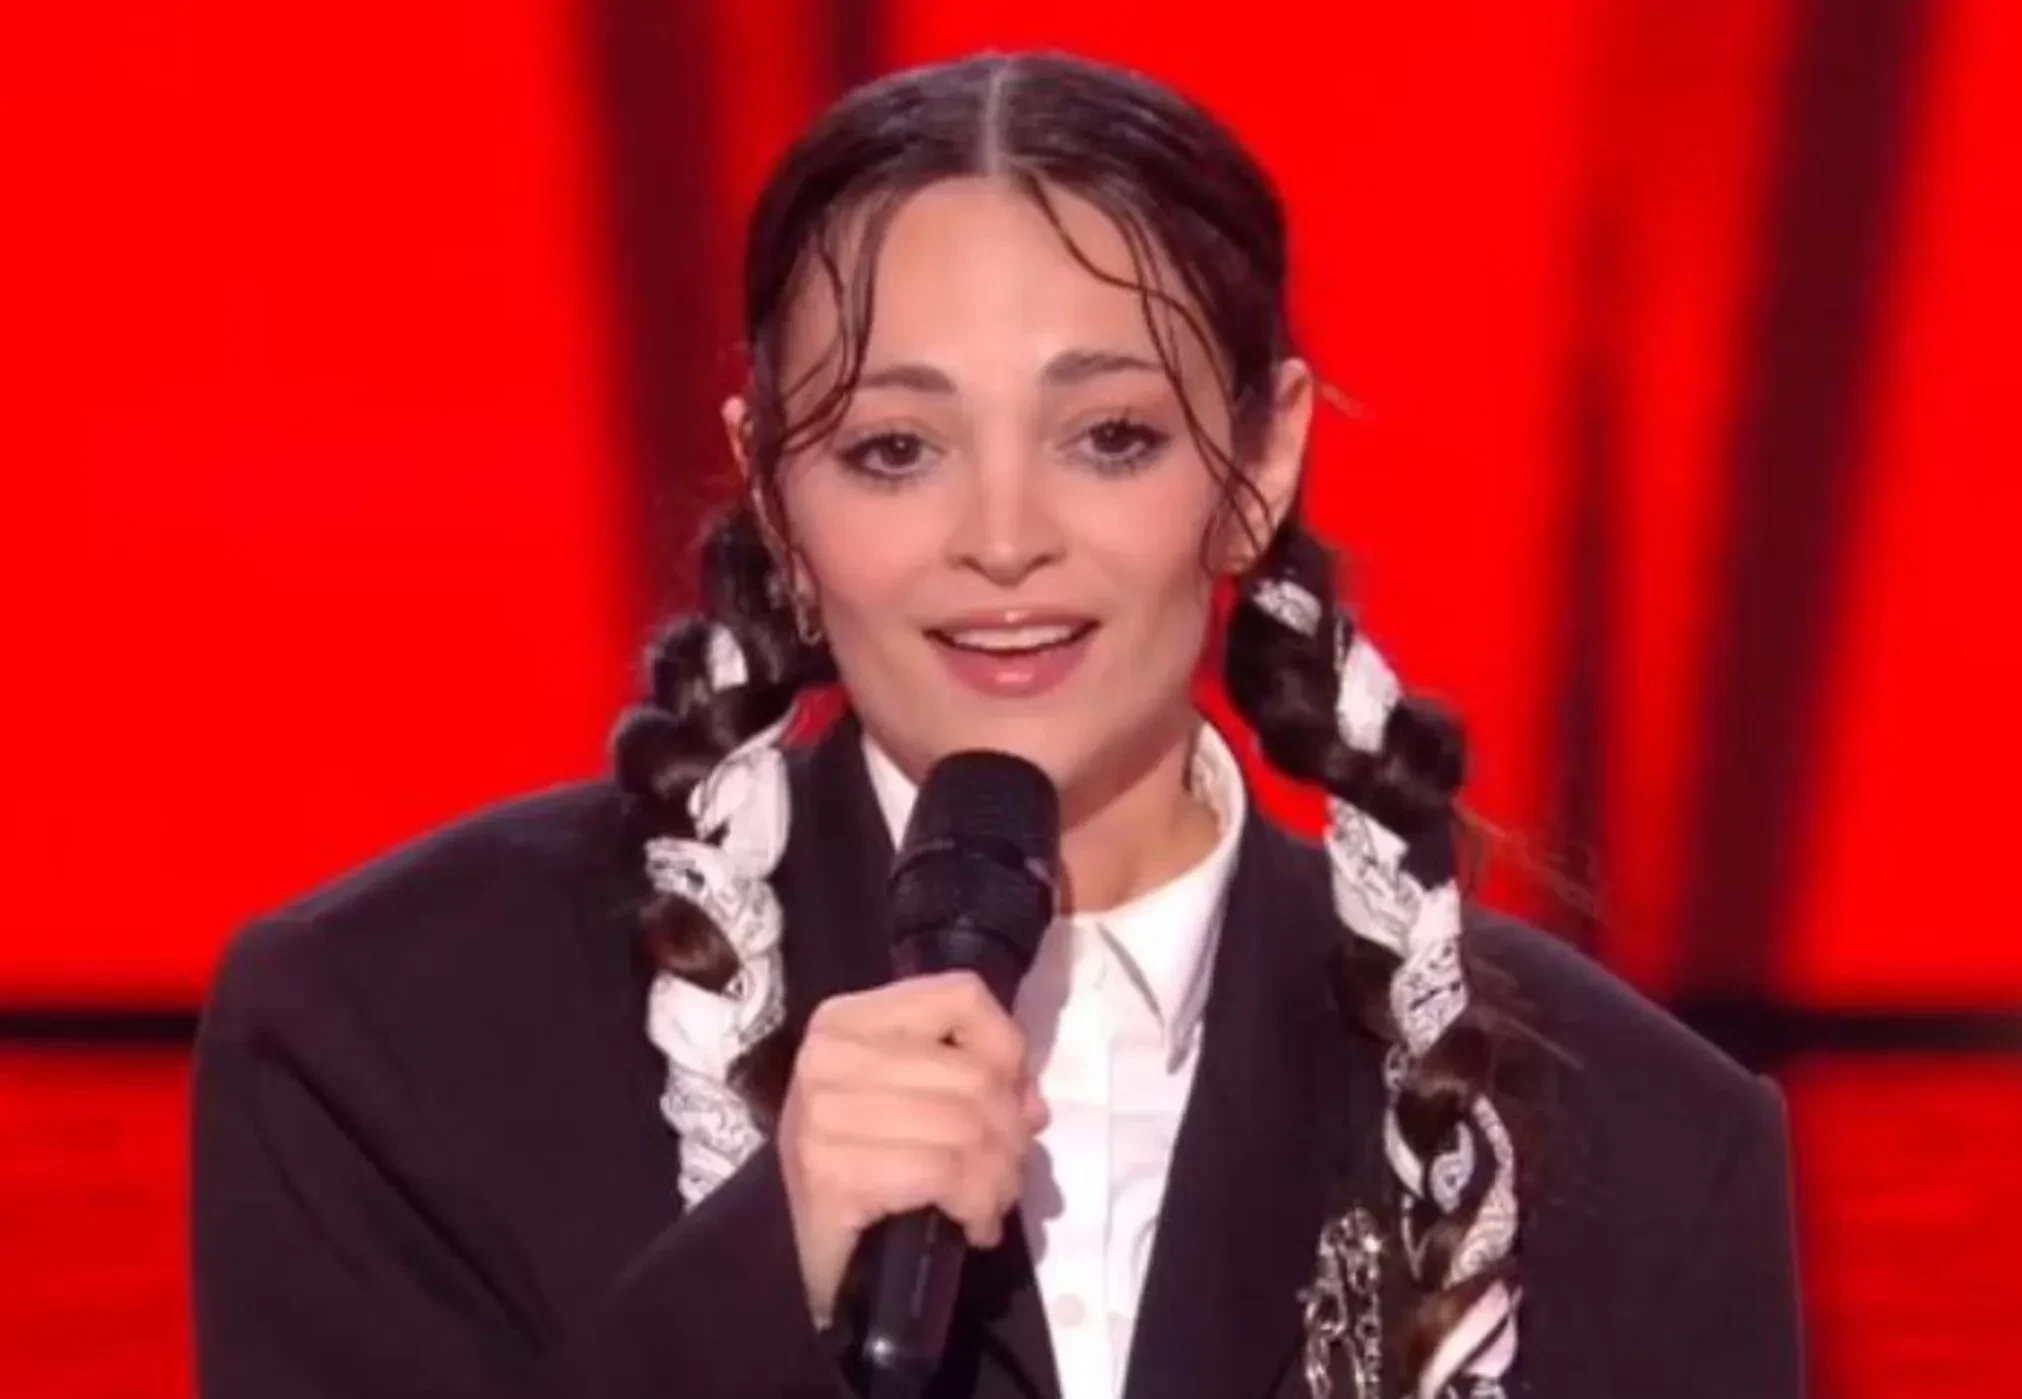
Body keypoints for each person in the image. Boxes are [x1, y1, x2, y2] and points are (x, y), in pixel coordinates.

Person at [190, 51, 1802, 1399]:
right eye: (895, 449)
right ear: (773, 488)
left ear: (1260, 464)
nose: (1005, 537)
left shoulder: (1641, 1146)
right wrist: (765, 1270)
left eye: (1110, 436)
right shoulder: (394, 1032)